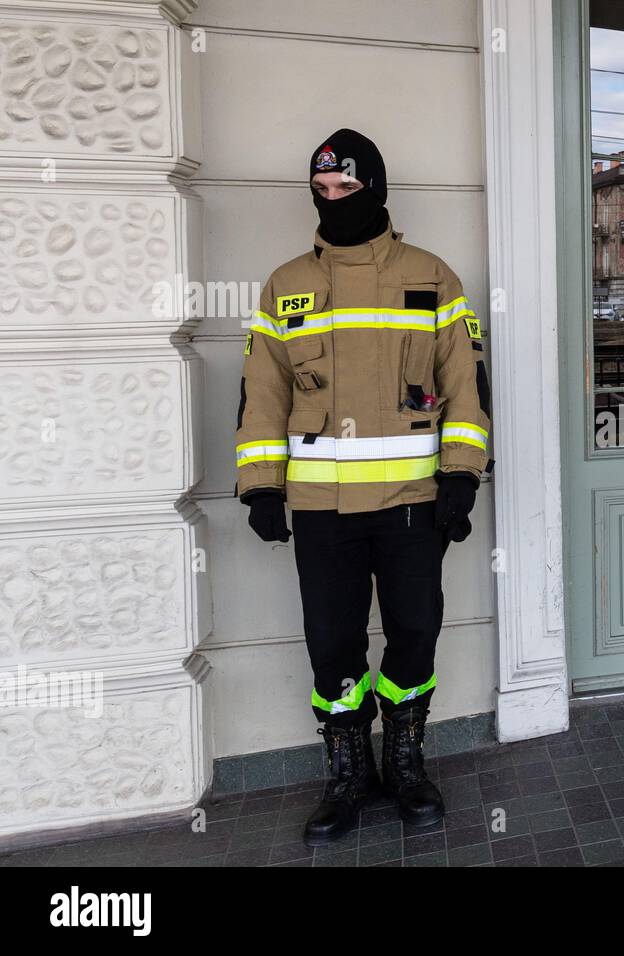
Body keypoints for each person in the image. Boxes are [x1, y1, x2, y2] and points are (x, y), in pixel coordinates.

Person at [234, 129, 492, 844]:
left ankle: (404, 762)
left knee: (415, 632)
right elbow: (261, 392)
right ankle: (347, 773)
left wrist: (463, 475)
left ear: (375, 188)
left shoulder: (432, 277)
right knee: (332, 642)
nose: (332, 200)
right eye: (321, 191)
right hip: (321, 510)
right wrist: (260, 487)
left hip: (414, 504)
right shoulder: (285, 284)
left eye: (346, 188)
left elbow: (464, 388)